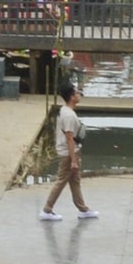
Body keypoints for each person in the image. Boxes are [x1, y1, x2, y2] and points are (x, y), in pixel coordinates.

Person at [40, 84, 97, 220]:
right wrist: (73, 160)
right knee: (61, 181)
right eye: (77, 93)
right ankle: (47, 210)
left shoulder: (64, 110)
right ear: (72, 97)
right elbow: (70, 139)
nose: (79, 95)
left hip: (70, 152)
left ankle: (83, 209)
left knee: (75, 181)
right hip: (69, 153)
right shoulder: (69, 116)